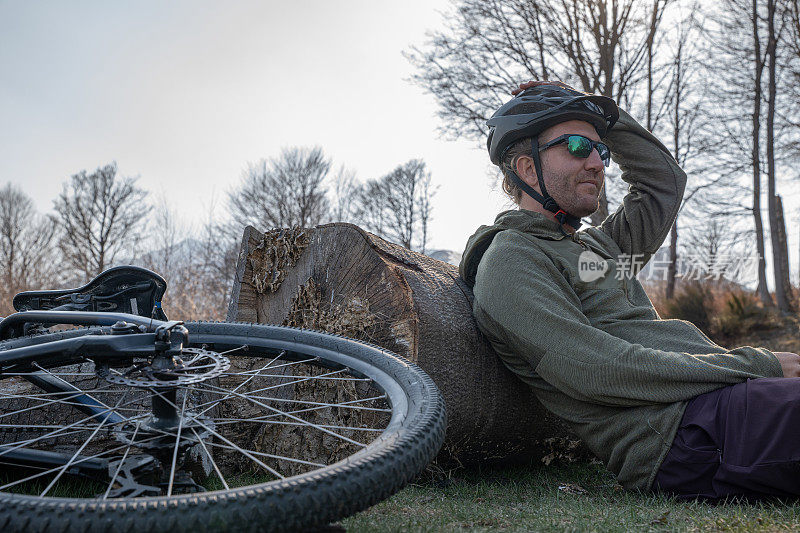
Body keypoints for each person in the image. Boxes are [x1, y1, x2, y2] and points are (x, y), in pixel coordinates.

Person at [458, 80, 800, 500]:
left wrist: (603, 117)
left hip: (717, 407)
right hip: (682, 437)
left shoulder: (599, 246)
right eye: (577, 148)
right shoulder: (510, 259)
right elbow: (593, 368)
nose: (598, 164)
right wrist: (754, 364)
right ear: (528, 169)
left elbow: (664, 182)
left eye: (599, 151)